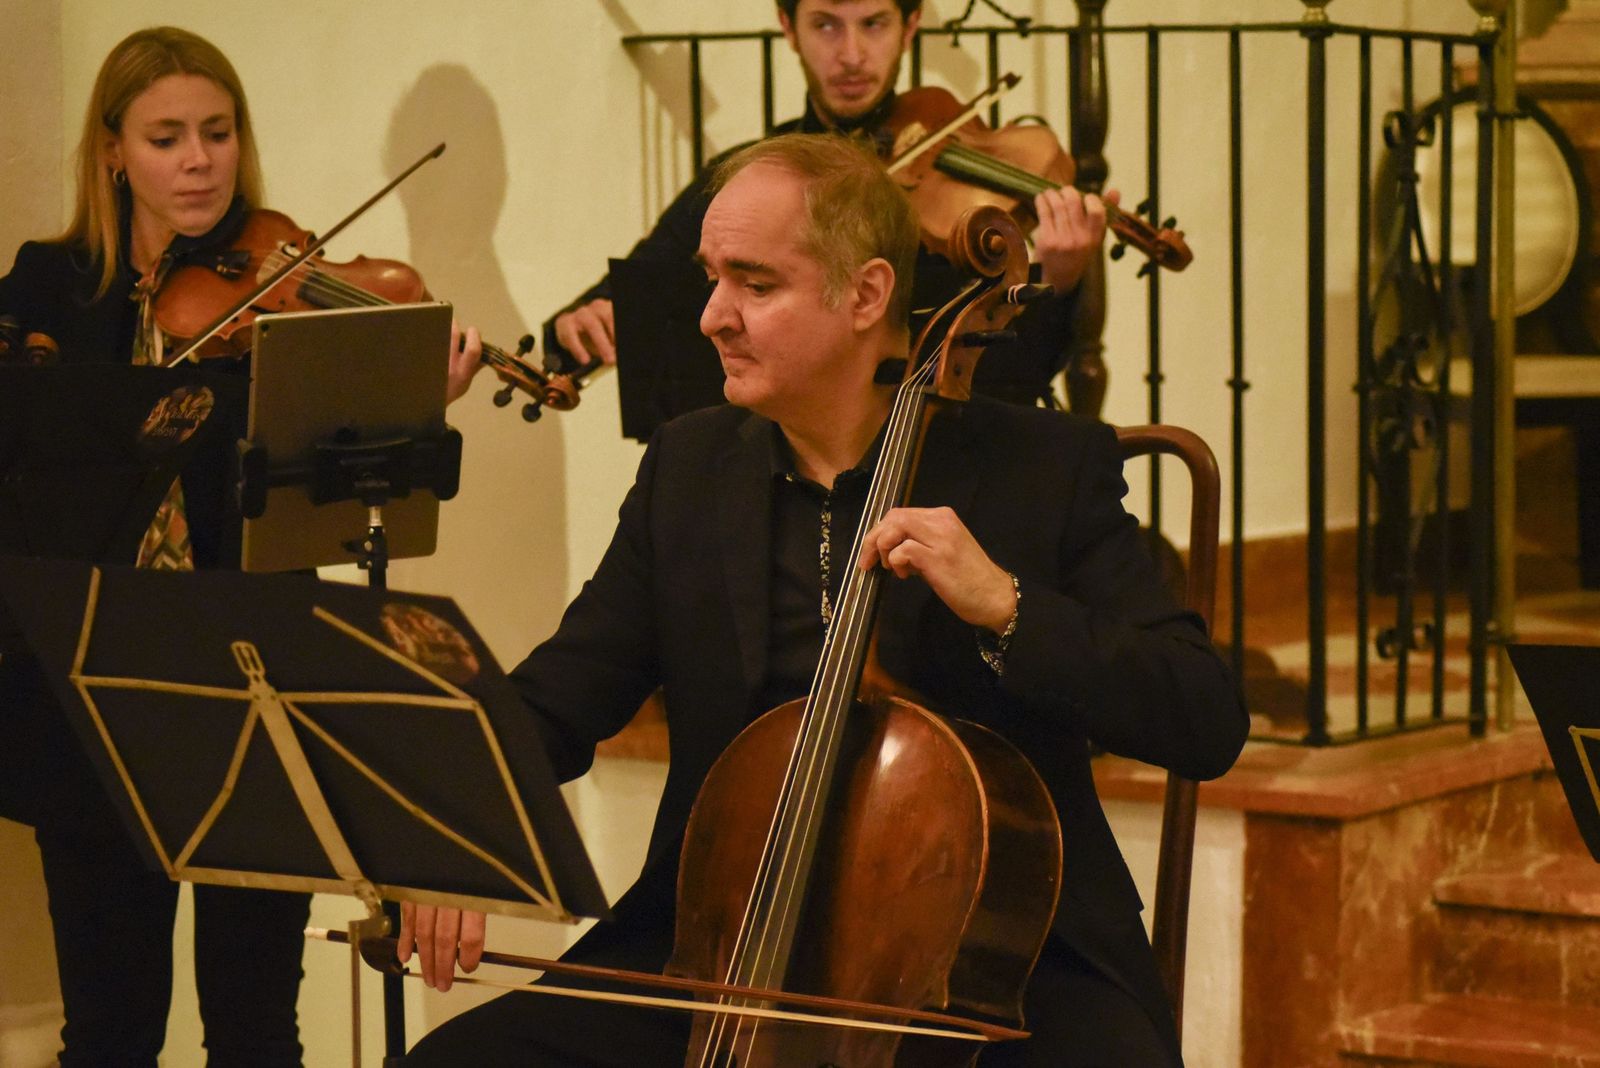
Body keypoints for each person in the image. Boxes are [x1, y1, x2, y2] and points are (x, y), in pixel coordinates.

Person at [399, 133, 1245, 1066]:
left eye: (756, 285)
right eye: (713, 278)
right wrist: (459, 833)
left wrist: (1008, 608)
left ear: (868, 295)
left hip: (1001, 966)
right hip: (722, 948)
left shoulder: (1043, 468)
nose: (714, 315)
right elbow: (564, 692)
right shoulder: (690, 466)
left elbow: (1202, 715)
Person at [0, 26, 481, 1065]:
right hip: (95, 686)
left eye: (216, 132)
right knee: (109, 1028)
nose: (199, 159)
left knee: (257, 1025)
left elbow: (355, 486)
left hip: (253, 673)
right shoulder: (48, 285)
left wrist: (405, 385)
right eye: (166, 136)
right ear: (113, 151)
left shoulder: (285, 281)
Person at [547, 0, 1116, 410]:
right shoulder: (757, 176)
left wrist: (1059, 281)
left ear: (910, 24)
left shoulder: (963, 188)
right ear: (787, 26)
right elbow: (645, 280)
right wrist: (585, 318)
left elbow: (1014, 377)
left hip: (940, 458)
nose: (851, 55)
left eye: (874, 24)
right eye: (825, 25)